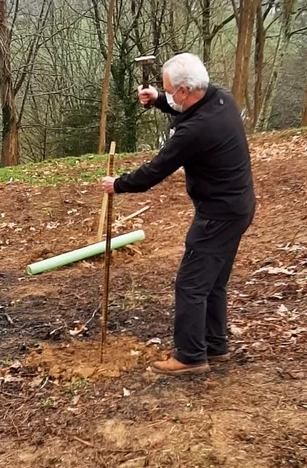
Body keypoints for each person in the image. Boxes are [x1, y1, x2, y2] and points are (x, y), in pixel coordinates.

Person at [101, 53, 256, 376]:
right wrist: (159, 99)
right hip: (237, 207)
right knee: (213, 282)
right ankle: (215, 345)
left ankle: (190, 356)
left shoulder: (196, 131)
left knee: (191, 285)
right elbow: (188, 107)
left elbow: (154, 171)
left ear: (185, 90)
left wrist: (118, 184)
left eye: (171, 91)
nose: (169, 95)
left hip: (217, 215)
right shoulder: (221, 98)